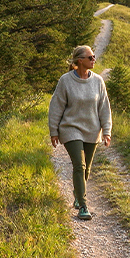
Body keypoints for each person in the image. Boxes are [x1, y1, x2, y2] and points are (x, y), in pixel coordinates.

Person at [48, 45, 112, 220]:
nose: (94, 60)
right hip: (70, 128)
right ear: (79, 60)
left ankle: (78, 194)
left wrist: (107, 131)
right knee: (79, 165)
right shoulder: (66, 80)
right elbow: (56, 106)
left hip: (92, 130)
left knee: (87, 169)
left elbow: (104, 108)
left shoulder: (98, 81)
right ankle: (83, 206)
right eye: (90, 57)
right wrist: (54, 131)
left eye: (94, 57)